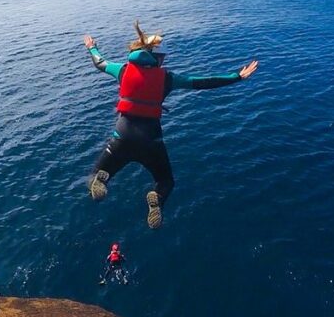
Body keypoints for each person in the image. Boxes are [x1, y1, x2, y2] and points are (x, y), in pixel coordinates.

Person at [83, 21, 259, 229]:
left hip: (122, 137)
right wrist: (236, 77)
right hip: (151, 141)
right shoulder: (167, 78)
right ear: (157, 57)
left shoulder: (122, 70)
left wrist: (92, 47)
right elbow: (202, 82)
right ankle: (157, 197)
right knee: (166, 181)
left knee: (97, 175)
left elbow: (99, 62)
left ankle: (102, 179)